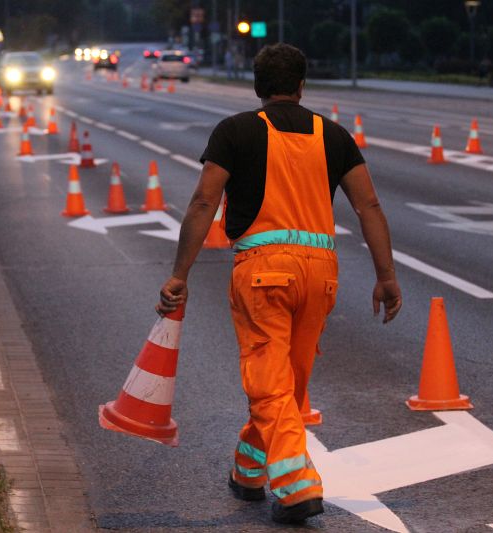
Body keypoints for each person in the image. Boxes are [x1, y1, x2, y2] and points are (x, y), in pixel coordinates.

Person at [156, 44, 401, 525]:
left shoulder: (235, 131)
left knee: (269, 384)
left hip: (264, 271)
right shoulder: (333, 135)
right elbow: (368, 206)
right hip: (320, 274)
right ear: (302, 86)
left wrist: (180, 273)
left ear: (257, 87)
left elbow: (204, 202)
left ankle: (297, 488)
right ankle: (249, 471)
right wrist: (386, 276)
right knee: (287, 385)